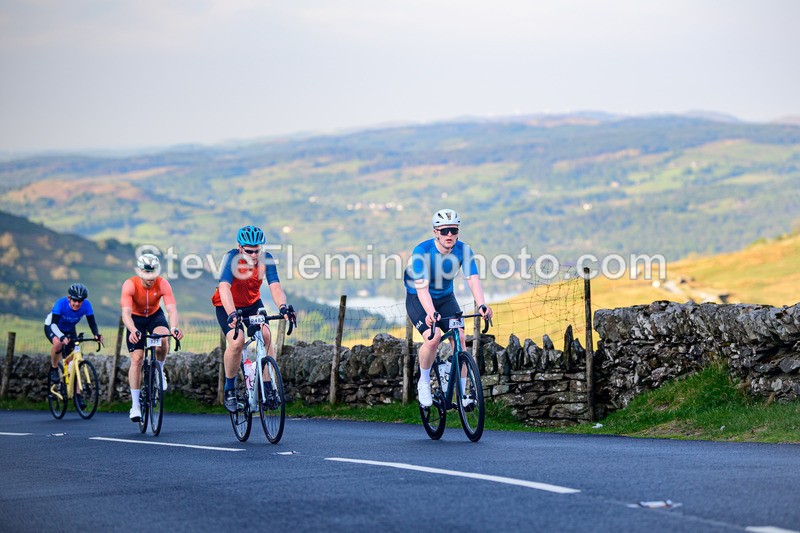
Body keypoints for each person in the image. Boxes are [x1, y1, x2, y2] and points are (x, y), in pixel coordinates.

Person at [404, 208, 493, 408]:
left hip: (445, 298)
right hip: (418, 298)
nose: (449, 234)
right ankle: (424, 381)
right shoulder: (422, 252)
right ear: (436, 232)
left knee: (459, 337)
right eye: (444, 231)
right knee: (433, 338)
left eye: (454, 230)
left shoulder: (464, 250)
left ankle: (461, 393)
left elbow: (472, 278)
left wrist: (482, 305)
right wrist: (430, 313)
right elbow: (422, 289)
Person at [212, 225, 295, 413]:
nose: (254, 255)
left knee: (266, 335)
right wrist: (232, 313)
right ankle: (230, 389)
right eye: (249, 251)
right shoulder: (231, 258)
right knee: (237, 342)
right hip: (227, 305)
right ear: (240, 248)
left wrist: (283, 307)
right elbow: (224, 287)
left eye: (257, 250)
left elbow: (275, 287)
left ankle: (267, 387)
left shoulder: (266, 259)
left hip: (252, 304)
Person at [120, 253, 183, 422]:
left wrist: (174, 328)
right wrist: (133, 330)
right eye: (147, 272)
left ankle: (159, 370)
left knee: (163, 339)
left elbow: (172, 310)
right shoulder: (130, 285)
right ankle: (135, 405)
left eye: (153, 272)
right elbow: (126, 314)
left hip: (155, 316)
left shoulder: (163, 283)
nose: (150, 277)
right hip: (135, 319)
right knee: (137, 359)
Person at [44, 283, 103, 409]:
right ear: (69, 298)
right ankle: (54, 368)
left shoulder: (87, 305)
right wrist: (61, 337)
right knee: (58, 344)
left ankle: (78, 395)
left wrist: (96, 334)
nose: (77, 304)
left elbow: (92, 323)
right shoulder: (61, 304)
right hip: (53, 326)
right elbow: (53, 324)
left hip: (69, 329)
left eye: (80, 301)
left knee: (73, 363)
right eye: (74, 301)